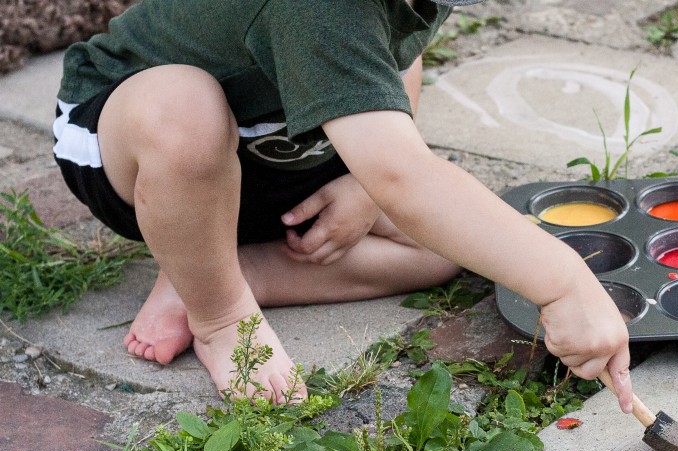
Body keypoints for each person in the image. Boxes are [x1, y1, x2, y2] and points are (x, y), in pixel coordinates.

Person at [52, 0, 634, 412]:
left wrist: (361, 182)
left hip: (278, 155)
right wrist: (564, 285)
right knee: (183, 110)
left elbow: (396, 56)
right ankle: (221, 313)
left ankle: (224, 269)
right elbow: (405, 178)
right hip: (135, 150)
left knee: (437, 252)